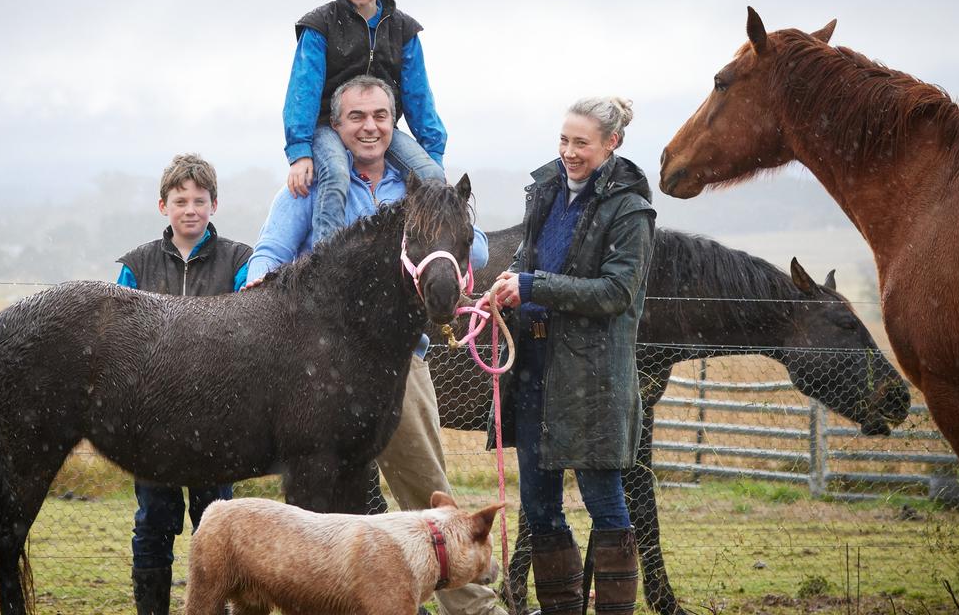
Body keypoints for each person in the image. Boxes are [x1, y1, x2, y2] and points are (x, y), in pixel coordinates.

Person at [248, 75, 506, 615]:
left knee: (423, 484)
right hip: (320, 370)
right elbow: (270, 251)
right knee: (330, 500)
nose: (369, 127)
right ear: (337, 125)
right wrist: (258, 286)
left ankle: (474, 607)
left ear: (394, 122)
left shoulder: (419, 189)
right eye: (356, 118)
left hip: (399, 362)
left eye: (381, 116)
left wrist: (444, 224)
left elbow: (475, 252)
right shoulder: (313, 186)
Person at [486, 97, 656, 615]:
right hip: (534, 367)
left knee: (605, 503)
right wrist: (511, 277)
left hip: (593, 375)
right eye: (564, 140)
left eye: (581, 142)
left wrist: (534, 284)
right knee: (539, 508)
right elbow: (529, 255)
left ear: (612, 143)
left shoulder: (630, 211)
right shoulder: (546, 191)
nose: (569, 152)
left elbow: (615, 293)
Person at [115, 153, 253, 615]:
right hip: (152, 423)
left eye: (200, 200)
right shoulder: (136, 266)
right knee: (153, 523)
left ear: (215, 204)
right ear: (163, 206)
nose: (190, 208)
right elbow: (120, 343)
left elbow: (248, 332)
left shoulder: (240, 260)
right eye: (180, 200)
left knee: (215, 526)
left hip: (218, 422)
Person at [282, 0, 447, 245]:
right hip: (325, 126)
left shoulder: (403, 29)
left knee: (433, 178)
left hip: (379, 124)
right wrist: (300, 152)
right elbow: (301, 91)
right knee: (336, 175)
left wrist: (433, 151)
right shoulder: (319, 26)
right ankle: (326, 261)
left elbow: (419, 95)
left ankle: (426, 252)